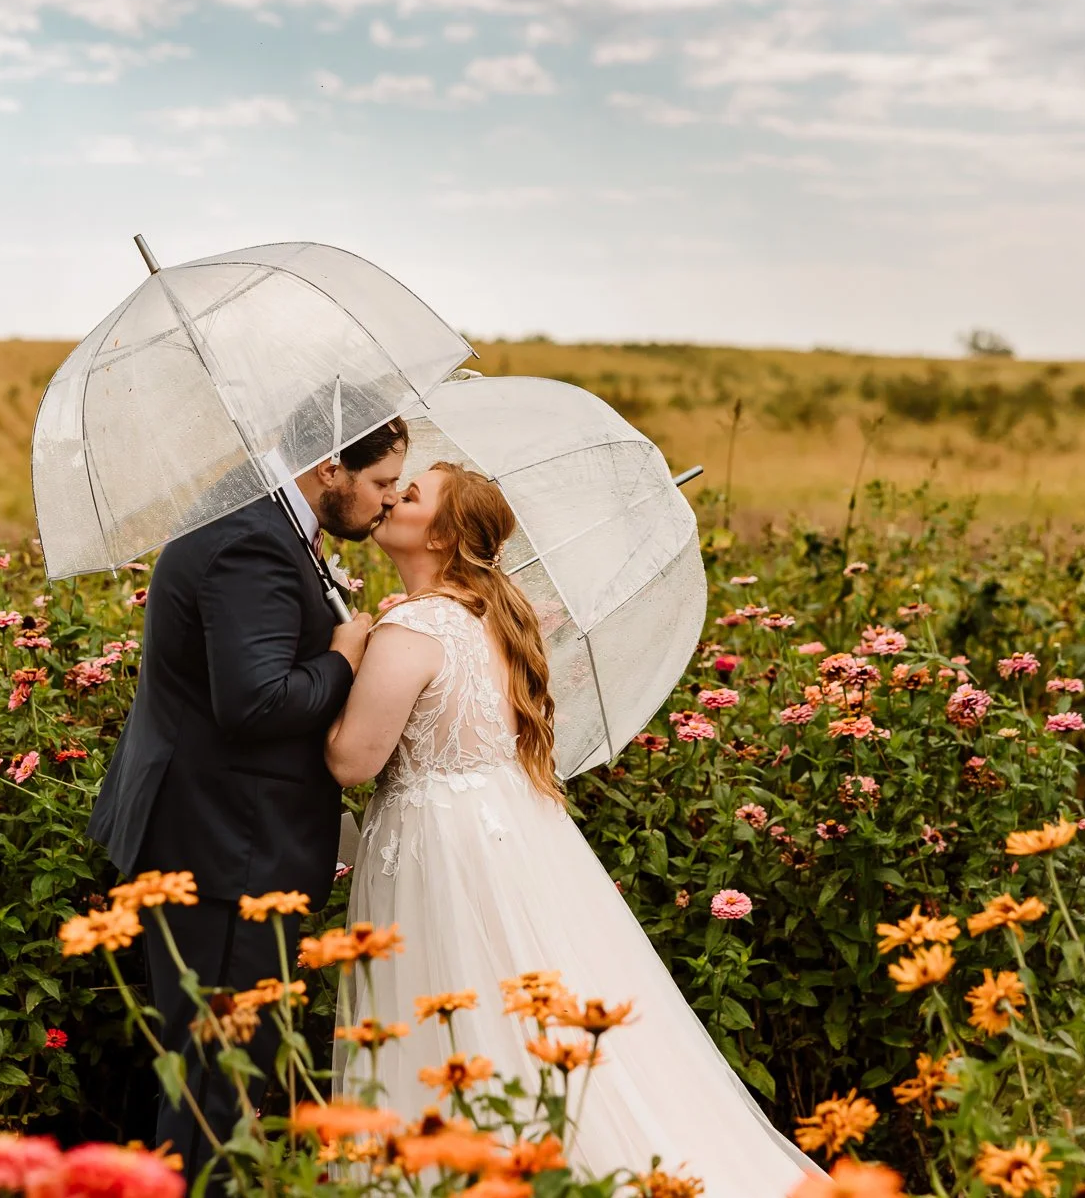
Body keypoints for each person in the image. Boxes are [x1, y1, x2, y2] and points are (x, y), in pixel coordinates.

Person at [325, 462, 818, 1189]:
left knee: (449, 1017)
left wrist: (342, 657)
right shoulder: (486, 617)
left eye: (412, 492)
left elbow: (350, 759)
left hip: (440, 848)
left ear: (446, 534)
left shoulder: (411, 626)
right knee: (519, 1016)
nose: (392, 495)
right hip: (511, 835)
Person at [87, 417, 409, 1169]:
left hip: (223, 842)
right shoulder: (251, 540)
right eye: (383, 482)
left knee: (213, 1078)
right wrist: (343, 657)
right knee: (217, 1084)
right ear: (329, 466)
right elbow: (256, 701)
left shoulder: (265, 523)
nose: (388, 501)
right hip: (226, 853)